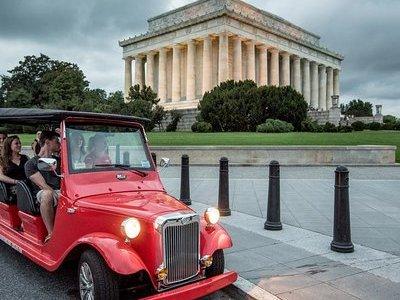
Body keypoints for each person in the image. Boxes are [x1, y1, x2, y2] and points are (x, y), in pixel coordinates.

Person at [25, 131, 61, 242]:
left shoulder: (59, 160)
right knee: (47, 194)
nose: (59, 143)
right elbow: (44, 186)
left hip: (60, 190)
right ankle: (51, 233)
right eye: (56, 141)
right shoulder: (31, 164)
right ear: (47, 142)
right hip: (42, 193)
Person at [0, 136, 29, 203]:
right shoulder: (2, 160)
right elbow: (0, 176)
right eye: (16, 143)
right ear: (9, 145)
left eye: (20, 143)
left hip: (26, 185)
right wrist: (16, 182)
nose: (19, 145)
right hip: (11, 187)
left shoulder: (25, 158)